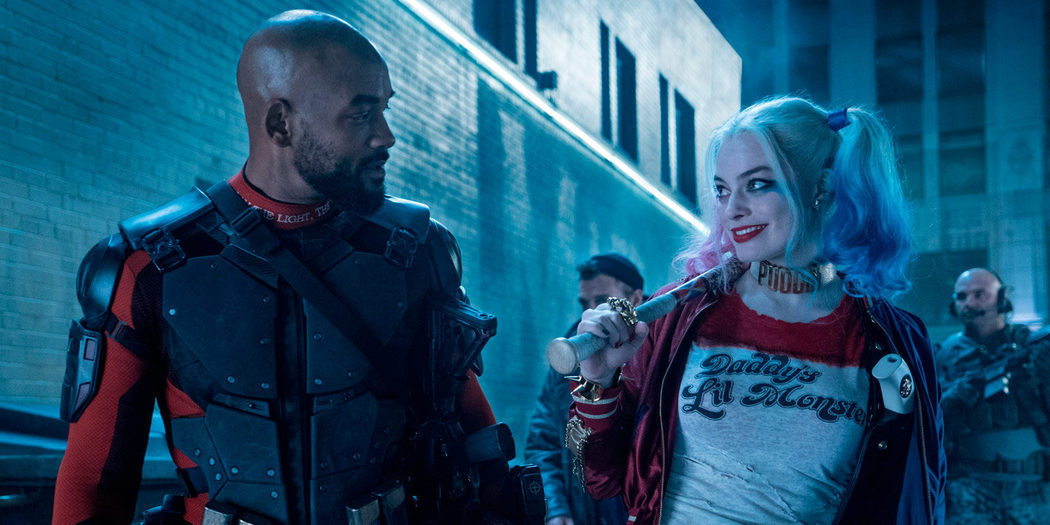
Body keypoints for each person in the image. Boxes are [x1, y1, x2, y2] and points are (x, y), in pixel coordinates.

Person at [53, 10, 543, 525]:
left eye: (384, 110)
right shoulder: (146, 266)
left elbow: (473, 437)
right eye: (361, 114)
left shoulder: (418, 250)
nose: (386, 136)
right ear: (280, 124)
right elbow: (92, 482)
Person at [565, 96, 945, 524]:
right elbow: (597, 481)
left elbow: (919, 496)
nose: (732, 210)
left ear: (821, 186)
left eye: (758, 184)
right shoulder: (678, 314)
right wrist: (599, 381)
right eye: (722, 190)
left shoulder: (893, 339)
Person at [525, 253, 641, 525]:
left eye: (601, 301)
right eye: (584, 303)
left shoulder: (664, 350)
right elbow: (543, 443)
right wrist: (555, 509)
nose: (591, 312)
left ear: (635, 300)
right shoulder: (568, 357)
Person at [936, 268, 1050, 523]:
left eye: (980, 294)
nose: (969, 303)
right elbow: (928, 421)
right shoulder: (942, 356)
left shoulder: (1030, 346)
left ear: (1001, 298)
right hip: (968, 489)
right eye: (962, 296)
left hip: (1033, 487)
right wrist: (958, 393)